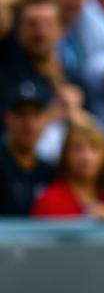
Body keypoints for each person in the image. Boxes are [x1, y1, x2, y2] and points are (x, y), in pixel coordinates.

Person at [32, 114, 104, 220]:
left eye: (94, 148)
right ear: (65, 155)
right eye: (77, 148)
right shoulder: (49, 201)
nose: (86, 157)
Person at [0, 79, 54, 215]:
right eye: (21, 114)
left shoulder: (49, 171)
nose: (29, 123)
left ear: (45, 120)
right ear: (8, 118)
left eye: (35, 115)